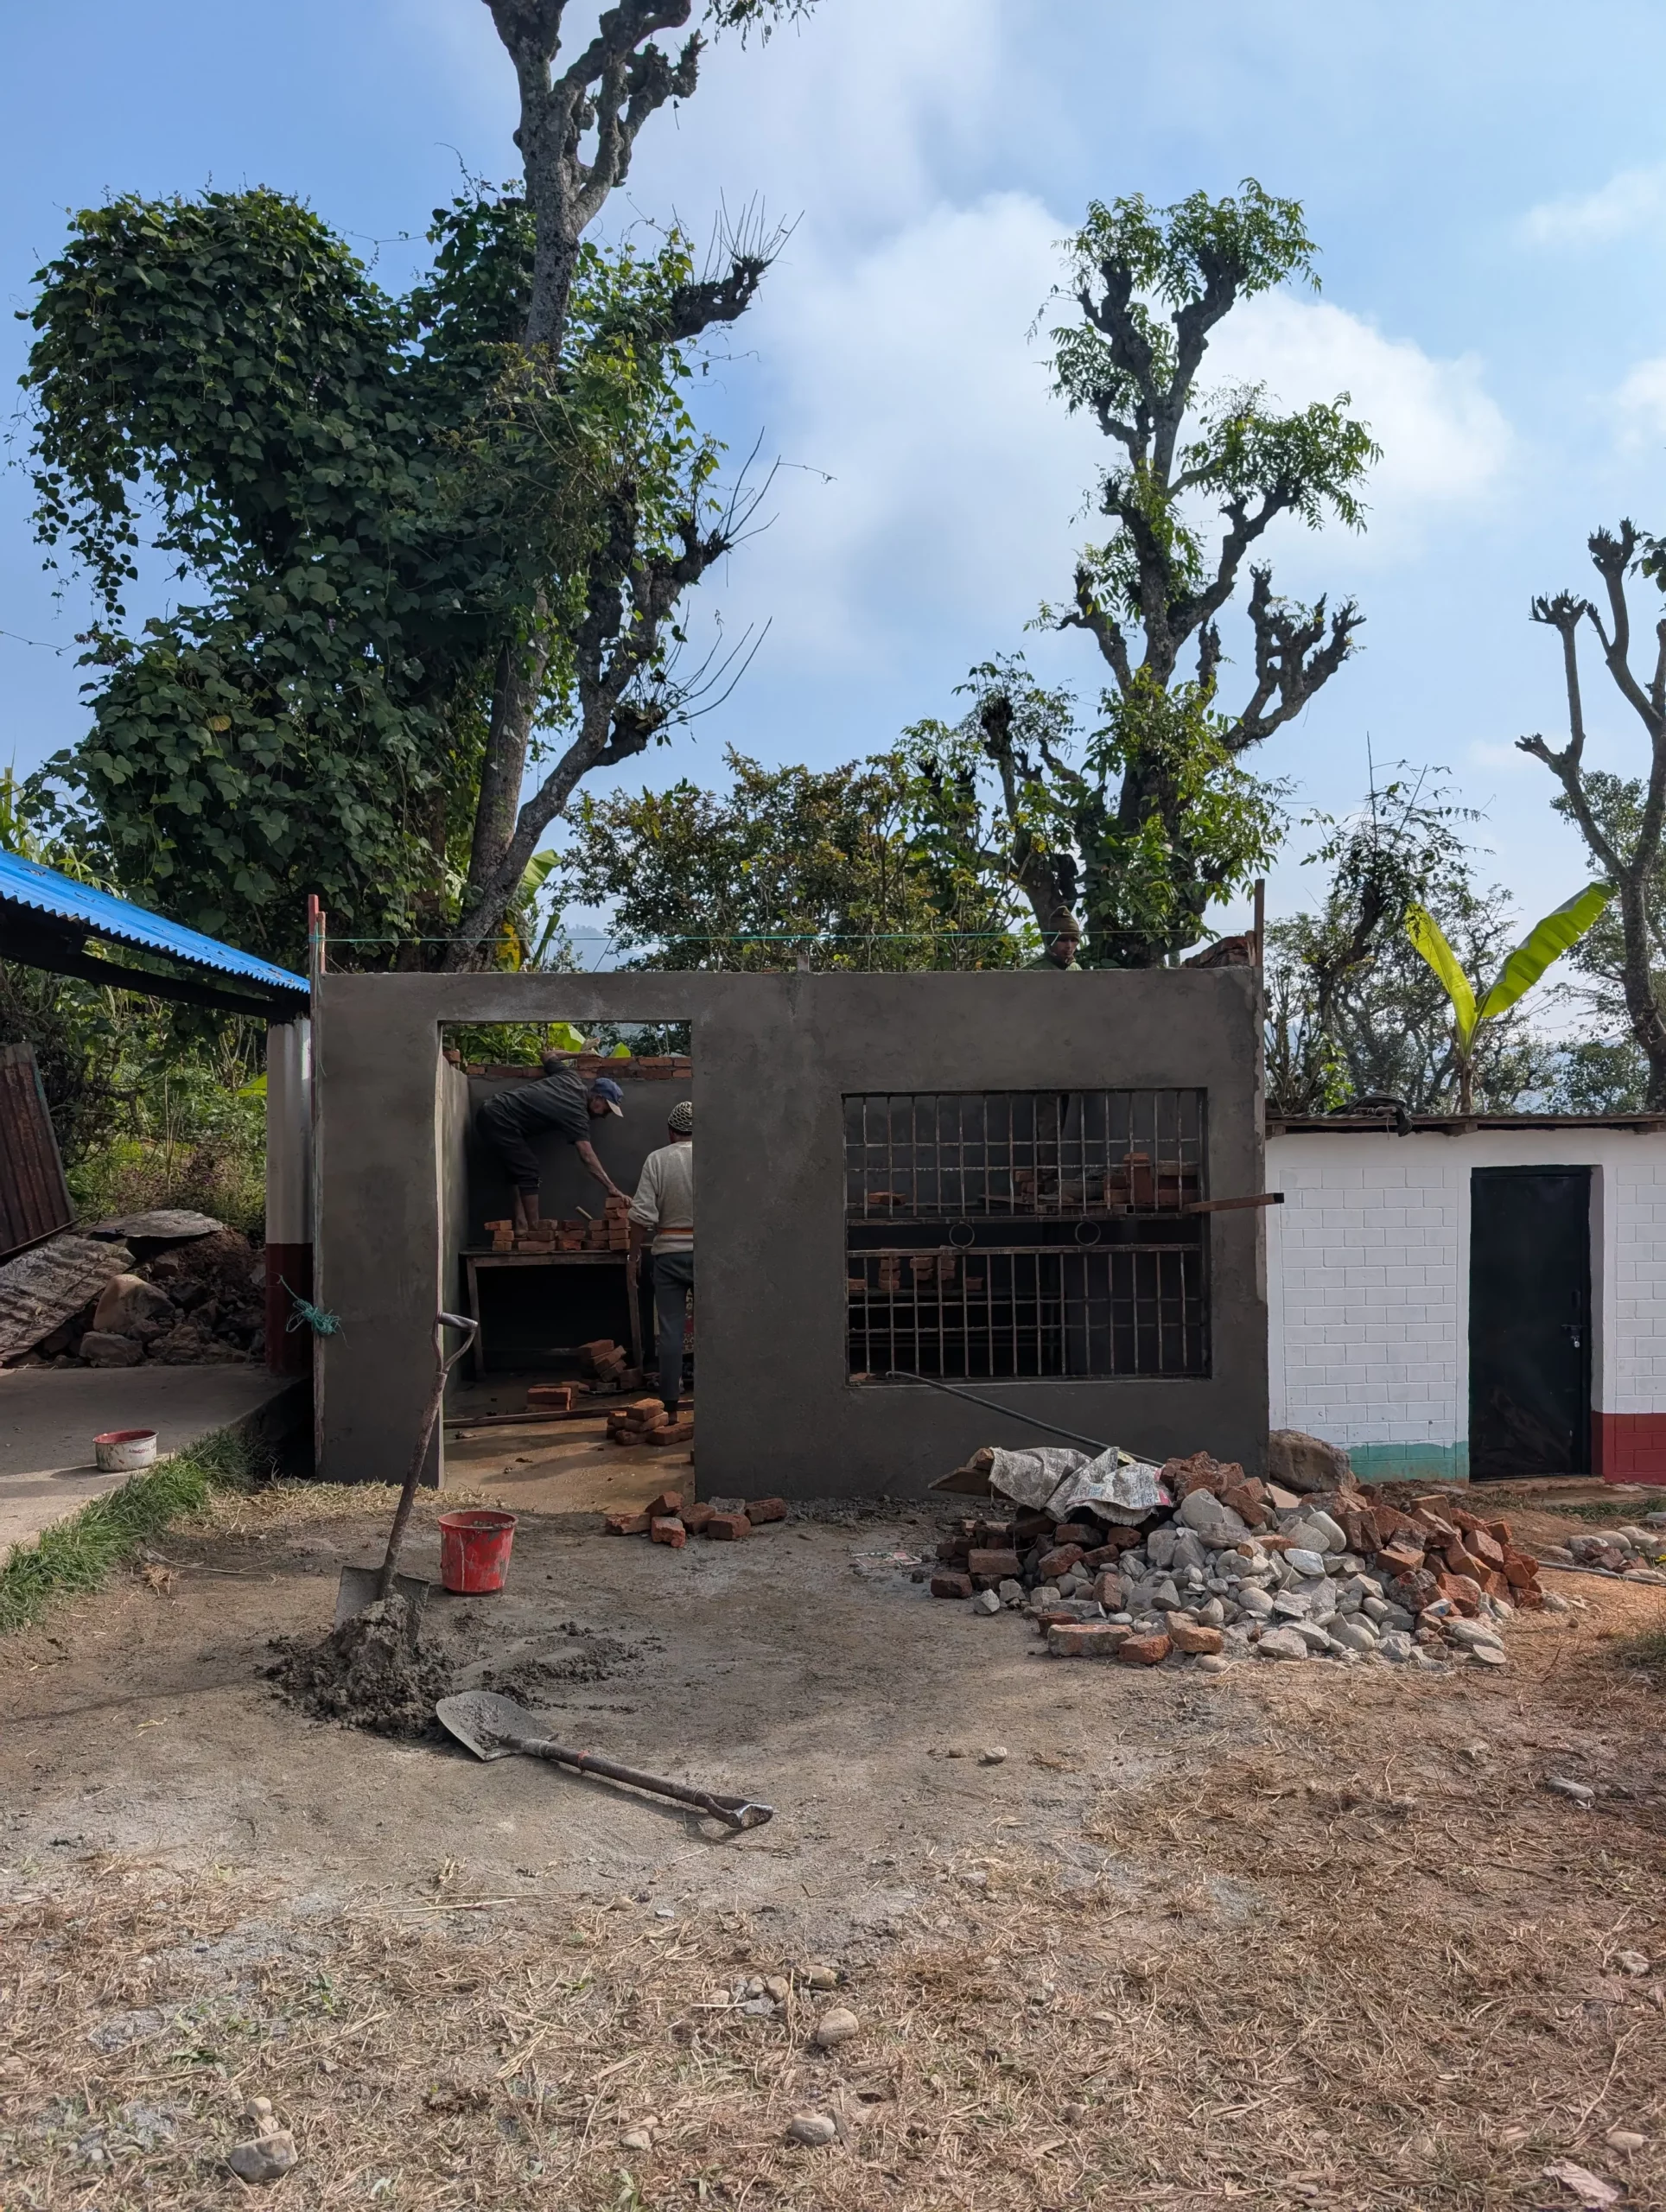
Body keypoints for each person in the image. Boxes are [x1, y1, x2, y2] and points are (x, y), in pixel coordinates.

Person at [477, 1055, 626, 1233]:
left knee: (518, 1171)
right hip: (499, 1118)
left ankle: (522, 1225)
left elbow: (547, 1055)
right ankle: (536, 1231)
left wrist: (576, 1055)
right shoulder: (577, 1113)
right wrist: (611, 1187)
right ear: (598, 1099)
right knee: (529, 1170)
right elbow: (586, 1155)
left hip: (494, 1111)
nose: (604, 1115)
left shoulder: (570, 1077)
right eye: (607, 1109)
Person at [627, 1099, 694, 1419]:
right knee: (720, 1328)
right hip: (710, 1256)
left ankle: (669, 1407)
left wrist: (632, 1257)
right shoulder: (715, 1158)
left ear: (671, 1132)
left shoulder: (657, 1161)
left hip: (668, 1256)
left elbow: (641, 1216)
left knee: (671, 1332)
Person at [1027, 906, 1082, 970]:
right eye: (1063, 940)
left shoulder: (1075, 968)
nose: (1069, 946)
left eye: (1073, 940)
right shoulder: (1032, 969)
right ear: (1052, 941)